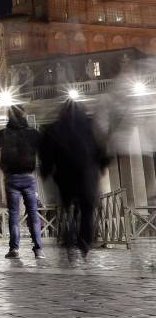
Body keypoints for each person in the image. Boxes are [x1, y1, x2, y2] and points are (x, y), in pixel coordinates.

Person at [40, 100, 105, 256]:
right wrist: (101, 167)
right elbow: (101, 148)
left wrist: (46, 171)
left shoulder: (54, 127)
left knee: (66, 204)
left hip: (64, 175)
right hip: (87, 174)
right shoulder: (91, 125)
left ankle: (67, 230)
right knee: (87, 208)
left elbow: (46, 152)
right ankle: (85, 241)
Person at [0, 106, 45, 259]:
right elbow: (42, 150)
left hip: (11, 177)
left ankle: (14, 249)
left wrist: (3, 168)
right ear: (24, 115)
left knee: (14, 215)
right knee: (33, 213)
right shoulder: (32, 133)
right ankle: (38, 249)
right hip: (28, 176)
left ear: (9, 116)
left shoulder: (2, 133)